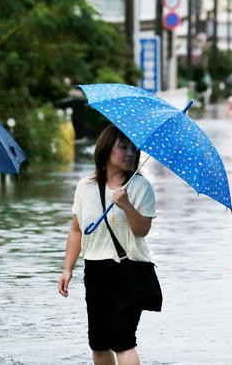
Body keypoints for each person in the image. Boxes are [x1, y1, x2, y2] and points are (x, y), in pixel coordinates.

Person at [58, 125, 156, 365]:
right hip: (95, 269)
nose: (130, 153)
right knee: (99, 343)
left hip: (129, 268)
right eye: (123, 147)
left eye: (133, 148)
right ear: (105, 150)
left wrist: (127, 206)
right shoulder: (85, 186)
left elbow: (142, 230)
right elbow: (76, 229)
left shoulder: (141, 187)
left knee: (123, 340)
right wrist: (67, 268)